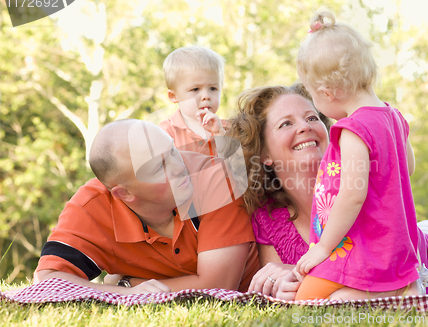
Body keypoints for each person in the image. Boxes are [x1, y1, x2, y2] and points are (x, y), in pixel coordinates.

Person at [229, 84, 428, 301]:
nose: (304, 126)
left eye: (312, 117)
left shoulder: (358, 178)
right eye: (285, 124)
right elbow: (286, 283)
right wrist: (283, 283)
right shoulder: (270, 217)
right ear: (264, 154)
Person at [33, 119, 259, 294]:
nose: (179, 166)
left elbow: (218, 287)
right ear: (125, 193)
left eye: (172, 150)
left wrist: (129, 283)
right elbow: (48, 281)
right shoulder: (92, 206)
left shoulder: (213, 177)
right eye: (159, 167)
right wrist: (121, 291)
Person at [159, 46, 228, 156]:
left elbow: (240, 169)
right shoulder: (166, 132)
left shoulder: (228, 129)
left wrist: (220, 135)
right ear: (173, 96)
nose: (206, 96)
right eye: (195, 89)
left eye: (213, 88)